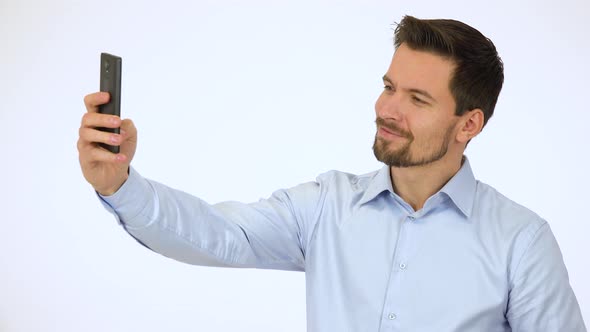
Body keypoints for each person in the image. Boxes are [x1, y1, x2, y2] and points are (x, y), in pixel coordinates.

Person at [78, 15, 586, 331]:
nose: (388, 109)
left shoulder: (521, 241)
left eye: (418, 99)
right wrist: (119, 184)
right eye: (389, 86)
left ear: (468, 124)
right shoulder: (326, 205)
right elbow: (218, 234)